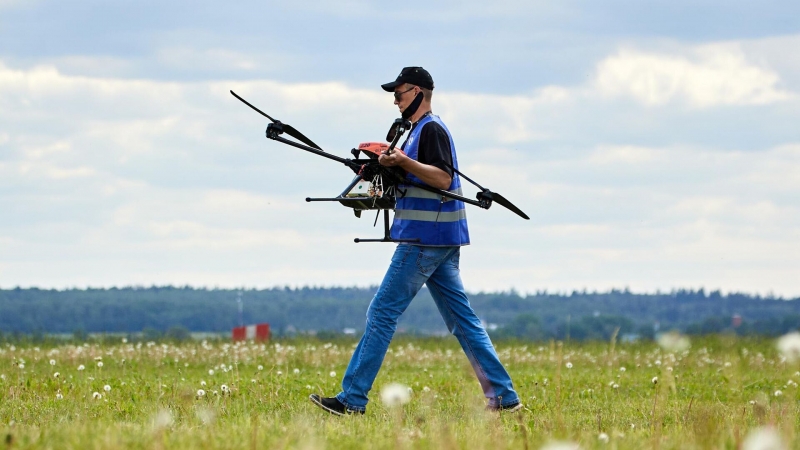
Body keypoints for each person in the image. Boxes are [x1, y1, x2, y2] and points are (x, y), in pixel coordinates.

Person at [310, 67, 521, 415]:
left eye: (401, 92)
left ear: (420, 93)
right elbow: (415, 181)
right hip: (439, 237)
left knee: (381, 312)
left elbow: (442, 177)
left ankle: (352, 399)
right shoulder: (413, 132)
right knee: (462, 321)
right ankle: (503, 396)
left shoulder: (431, 129)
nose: (395, 99)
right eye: (394, 93)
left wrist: (404, 161)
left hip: (425, 238)